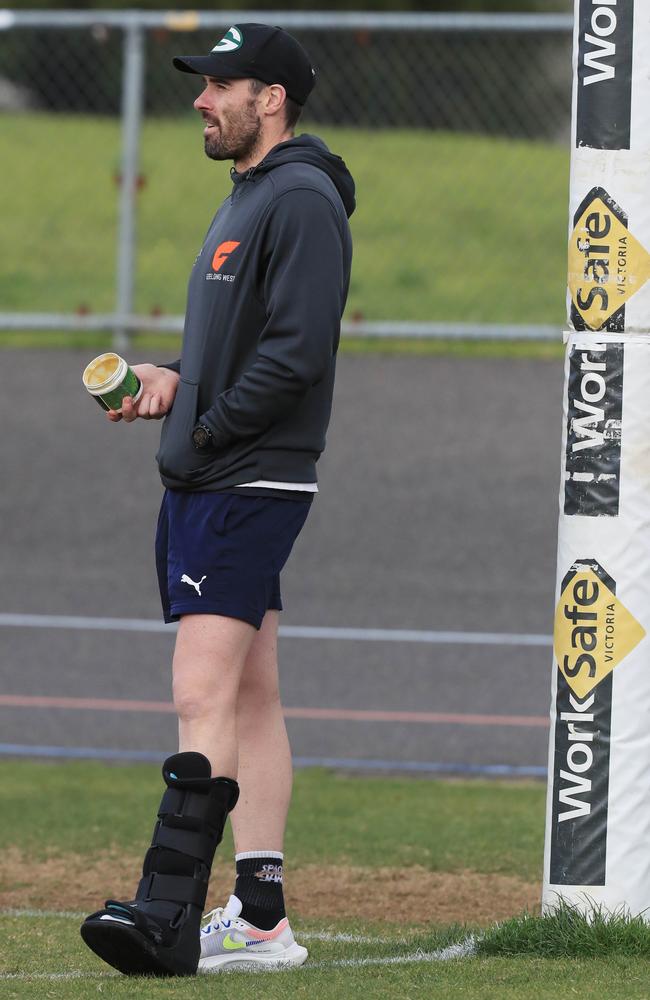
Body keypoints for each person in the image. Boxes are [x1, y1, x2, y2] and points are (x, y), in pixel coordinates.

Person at [80, 22, 355, 977]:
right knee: (246, 690)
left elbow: (298, 351)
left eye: (219, 84)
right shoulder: (250, 197)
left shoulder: (302, 198)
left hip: (246, 475)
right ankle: (261, 916)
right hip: (222, 469)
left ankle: (166, 914)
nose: (201, 99)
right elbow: (241, 351)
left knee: (199, 687)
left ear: (269, 98)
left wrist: (203, 429)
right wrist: (171, 381)